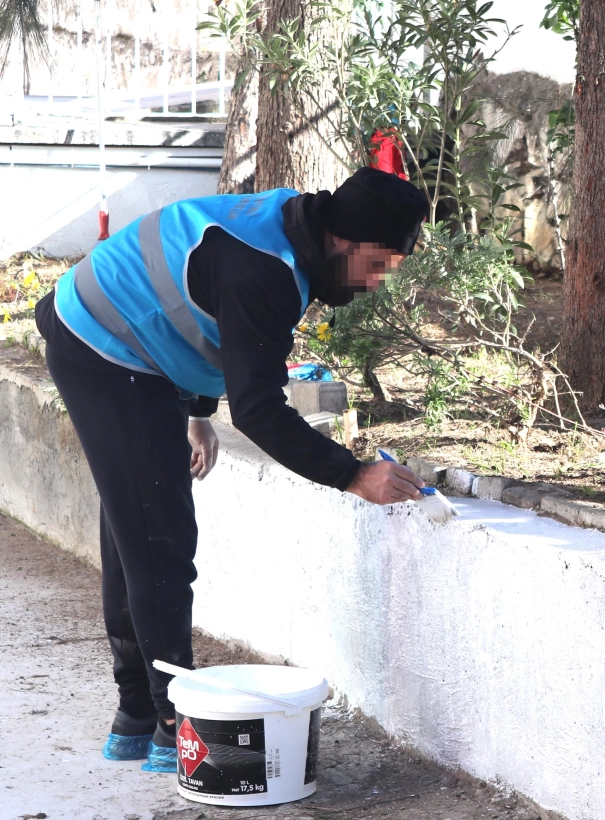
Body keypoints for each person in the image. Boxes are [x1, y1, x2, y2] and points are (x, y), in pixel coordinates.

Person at [33, 168, 432, 772]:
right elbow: (260, 409)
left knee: (137, 524)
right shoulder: (266, 270)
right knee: (158, 535)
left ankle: (137, 718)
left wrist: (196, 409)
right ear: (345, 244)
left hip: (144, 348)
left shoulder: (288, 229)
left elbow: (198, 306)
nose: (375, 285)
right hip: (102, 344)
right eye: (377, 267)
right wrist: (351, 474)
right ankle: (170, 721)